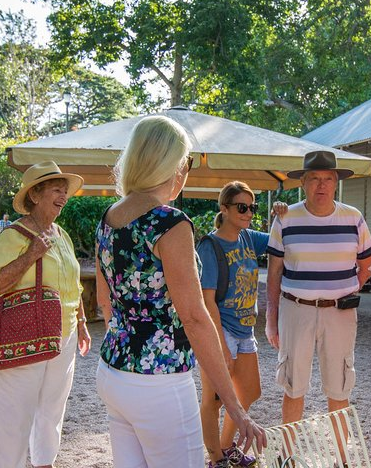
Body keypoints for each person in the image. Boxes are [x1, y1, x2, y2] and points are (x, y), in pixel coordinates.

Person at [95, 116, 266, 468]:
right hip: (159, 382)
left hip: (112, 369)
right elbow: (194, 317)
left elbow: (104, 302)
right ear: (171, 164)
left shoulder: (110, 216)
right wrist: (233, 404)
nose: (186, 171)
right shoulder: (169, 222)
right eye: (186, 162)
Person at [0, 160, 92, 468]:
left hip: (64, 334)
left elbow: (73, 284)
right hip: (25, 335)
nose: (63, 196)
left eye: (65, 191)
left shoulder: (62, 234)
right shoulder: (13, 235)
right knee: (14, 414)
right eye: (57, 190)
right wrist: (31, 255)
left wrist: (82, 324)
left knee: (52, 407)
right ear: (35, 195)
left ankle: (45, 463)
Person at [265, 150, 371, 444]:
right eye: (314, 178)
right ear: (303, 182)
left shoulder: (353, 217)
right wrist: (271, 320)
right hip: (295, 309)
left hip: (339, 312)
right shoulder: (286, 218)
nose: (321, 185)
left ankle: (341, 457)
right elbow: (274, 271)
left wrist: (349, 290)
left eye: (328, 178)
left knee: (339, 387)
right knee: (293, 385)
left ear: (336, 182)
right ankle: (287, 455)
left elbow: (367, 264)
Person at [197, 182, 287, 468]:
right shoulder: (210, 246)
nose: (248, 213)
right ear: (224, 209)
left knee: (249, 392)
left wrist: (281, 216)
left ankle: (226, 448)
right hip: (221, 329)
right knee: (214, 398)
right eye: (242, 207)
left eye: (252, 207)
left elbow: (280, 238)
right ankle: (215, 459)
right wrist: (219, 345)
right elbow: (207, 300)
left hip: (246, 329)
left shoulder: (248, 238)